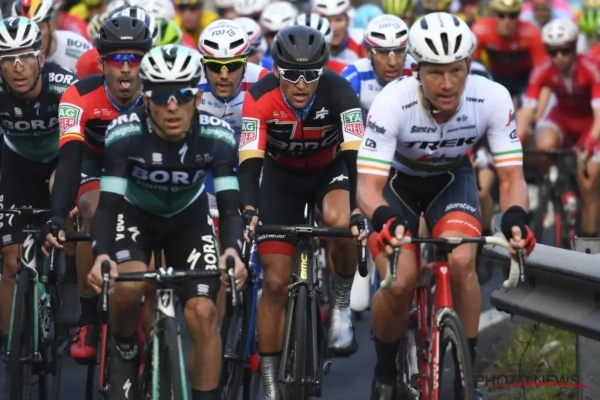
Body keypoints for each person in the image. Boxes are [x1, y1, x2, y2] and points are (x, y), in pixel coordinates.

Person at [356, 12, 536, 400]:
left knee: (462, 261)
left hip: (452, 180)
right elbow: (368, 187)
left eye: (456, 70)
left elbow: (510, 178)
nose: (448, 83)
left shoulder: (491, 97)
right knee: (399, 282)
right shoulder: (392, 101)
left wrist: (516, 216)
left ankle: (465, 375)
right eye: (436, 73)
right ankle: (385, 371)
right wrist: (384, 218)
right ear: (416, 70)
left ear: (469, 64)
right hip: (398, 185)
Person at [85, 44, 247, 400]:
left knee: (203, 312)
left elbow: (230, 209)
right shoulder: (123, 133)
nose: (172, 107)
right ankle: (126, 349)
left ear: (197, 98)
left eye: (182, 95)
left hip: (188, 220)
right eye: (161, 97)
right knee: (127, 287)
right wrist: (101, 255)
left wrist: (233, 251)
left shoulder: (219, 137)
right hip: (135, 215)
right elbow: (108, 207)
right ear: (145, 100)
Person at [239, 25, 366, 399]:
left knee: (341, 222)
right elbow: (250, 161)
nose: (300, 83)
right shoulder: (258, 98)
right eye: (292, 73)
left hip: (330, 172)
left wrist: (359, 209)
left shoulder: (341, 91)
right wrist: (249, 208)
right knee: (275, 282)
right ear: (276, 69)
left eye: (310, 74)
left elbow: (355, 159)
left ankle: (340, 305)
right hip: (281, 180)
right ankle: (270, 381)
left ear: (321, 71)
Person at [43, 15, 152, 362]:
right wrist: (58, 215)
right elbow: (69, 160)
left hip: (141, 167)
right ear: (101, 63)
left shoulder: (158, 96)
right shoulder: (78, 95)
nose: (125, 68)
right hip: (94, 162)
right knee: (91, 209)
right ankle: (88, 318)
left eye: (134, 59)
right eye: (116, 59)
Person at [0, 18, 78, 391]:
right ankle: (11, 350)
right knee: (11, 260)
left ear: (41, 58)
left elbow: (78, 145)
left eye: (25, 57)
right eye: (7, 59)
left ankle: (66, 285)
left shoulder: (65, 87)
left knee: (68, 218)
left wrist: (66, 174)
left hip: (60, 161)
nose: (17, 67)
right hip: (16, 166)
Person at [517, 18, 600, 239]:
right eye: (553, 52)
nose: (559, 57)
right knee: (542, 144)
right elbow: (527, 111)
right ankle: (555, 181)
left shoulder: (591, 67)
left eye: (565, 50)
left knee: (588, 182)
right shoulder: (542, 69)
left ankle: (589, 241)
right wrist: (517, 140)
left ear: (574, 47)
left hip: (591, 123)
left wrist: (591, 142)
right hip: (562, 118)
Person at [198, 19, 268, 197]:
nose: (223, 75)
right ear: (203, 64)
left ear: (244, 64)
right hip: (205, 165)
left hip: (254, 163)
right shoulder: (191, 83)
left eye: (232, 66)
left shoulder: (261, 79)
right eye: (215, 66)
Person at [471, 0, 547, 105]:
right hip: (496, 76)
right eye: (501, 15)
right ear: (494, 14)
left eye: (512, 15)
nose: (507, 21)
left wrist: (531, 99)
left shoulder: (532, 32)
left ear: (519, 16)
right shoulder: (480, 29)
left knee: (528, 106)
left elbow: (541, 70)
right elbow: (473, 63)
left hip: (524, 78)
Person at [341, 14, 412, 117]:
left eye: (399, 51)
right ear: (367, 52)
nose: (392, 62)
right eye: (383, 52)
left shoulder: (416, 71)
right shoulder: (355, 74)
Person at [12, 0, 92, 71]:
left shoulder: (79, 50)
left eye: (38, 27)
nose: (30, 36)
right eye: (23, 29)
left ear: (52, 25)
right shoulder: (8, 56)